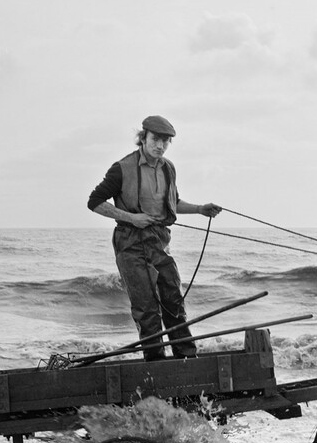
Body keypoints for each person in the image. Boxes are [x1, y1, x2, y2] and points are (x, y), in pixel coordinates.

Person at [88, 115, 221, 361]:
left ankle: (187, 361)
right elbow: (94, 202)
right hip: (129, 242)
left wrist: (200, 208)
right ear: (143, 138)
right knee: (146, 310)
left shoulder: (168, 167)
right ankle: (156, 366)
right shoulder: (121, 168)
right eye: (155, 139)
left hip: (159, 241)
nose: (160, 146)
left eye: (165, 141)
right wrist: (131, 218)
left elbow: (173, 203)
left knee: (174, 301)